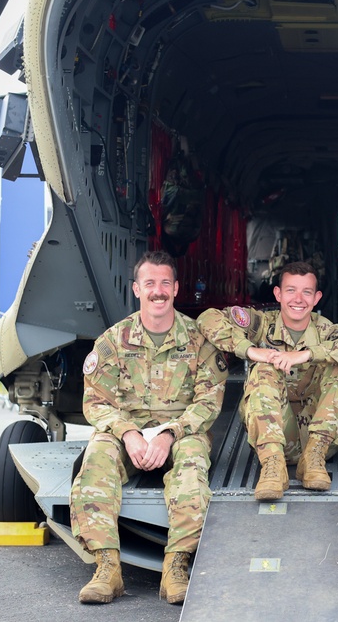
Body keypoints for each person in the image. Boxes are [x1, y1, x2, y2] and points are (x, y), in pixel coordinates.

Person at [70, 250, 226, 606]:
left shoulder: (199, 340)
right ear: (136, 289)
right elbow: (96, 401)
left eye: (165, 283)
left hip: (181, 429)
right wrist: (127, 433)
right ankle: (107, 567)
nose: (158, 291)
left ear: (176, 289)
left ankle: (176, 566)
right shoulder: (113, 341)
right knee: (95, 458)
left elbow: (210, 400)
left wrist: (171, 433)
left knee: (191, 466)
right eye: (150, 283)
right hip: (128, 430)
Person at [197, 261, 338, 500]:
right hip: (275, 437)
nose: (298, 299)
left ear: (317, 297)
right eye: (291, 290)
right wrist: (249, 350)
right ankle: (273, 466)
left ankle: (313, 458)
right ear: (278, 294)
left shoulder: (326, 331)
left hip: (320, 440)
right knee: (263, 369)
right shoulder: (262, 325)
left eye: (306, 292)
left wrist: (308, 353)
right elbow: (208, 318)